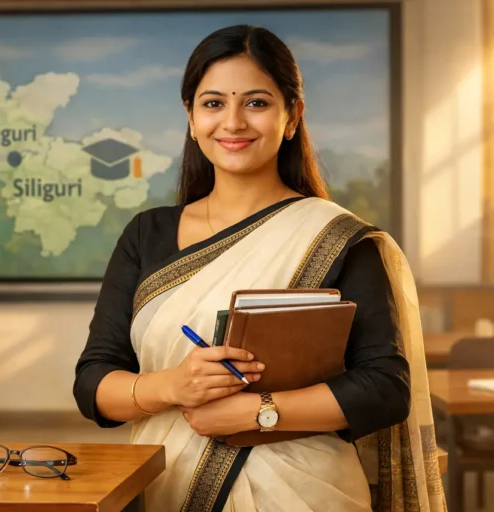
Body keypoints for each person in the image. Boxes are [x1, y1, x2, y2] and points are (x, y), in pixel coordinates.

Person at [73, 24, 446, 512]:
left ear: (293, 117)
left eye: (256, 102)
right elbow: (93, 383)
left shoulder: (336, 238)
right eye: (212, 104)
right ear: (190, 117)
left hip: (306, 491)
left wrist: (256, 413)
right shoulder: (146, 235)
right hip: (168, 486)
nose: (232, 122)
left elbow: (385, 388)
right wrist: (173, 385)